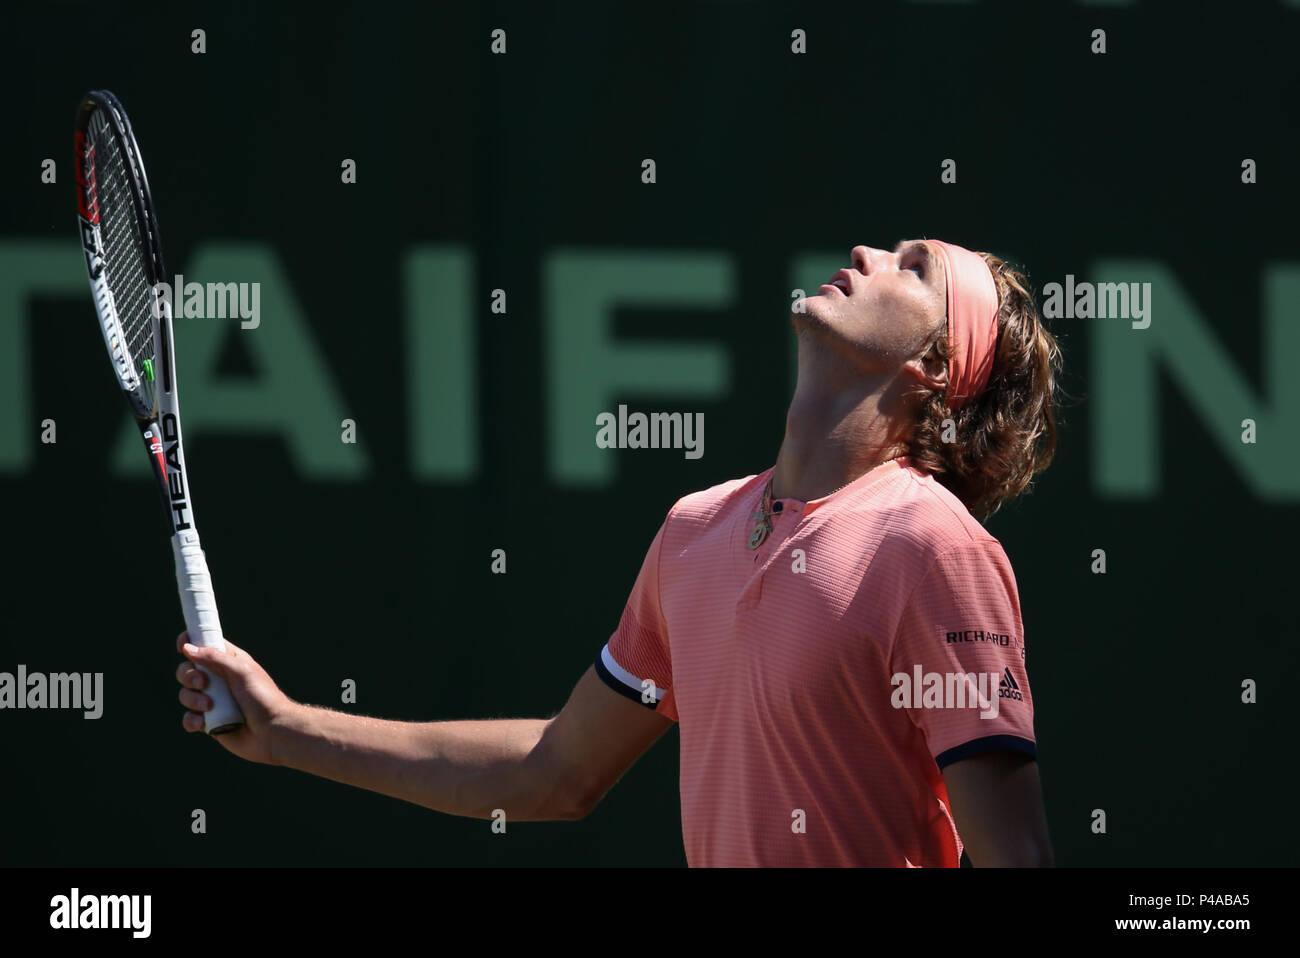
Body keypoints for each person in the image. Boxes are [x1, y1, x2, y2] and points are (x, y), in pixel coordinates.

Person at [177, 239, 1061, 866]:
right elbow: (556, 772)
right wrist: (288, 730)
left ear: (937, 368)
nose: (868, 252)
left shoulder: (934, 549)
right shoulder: (695, 529)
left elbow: (1014, 855)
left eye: (914, 268)